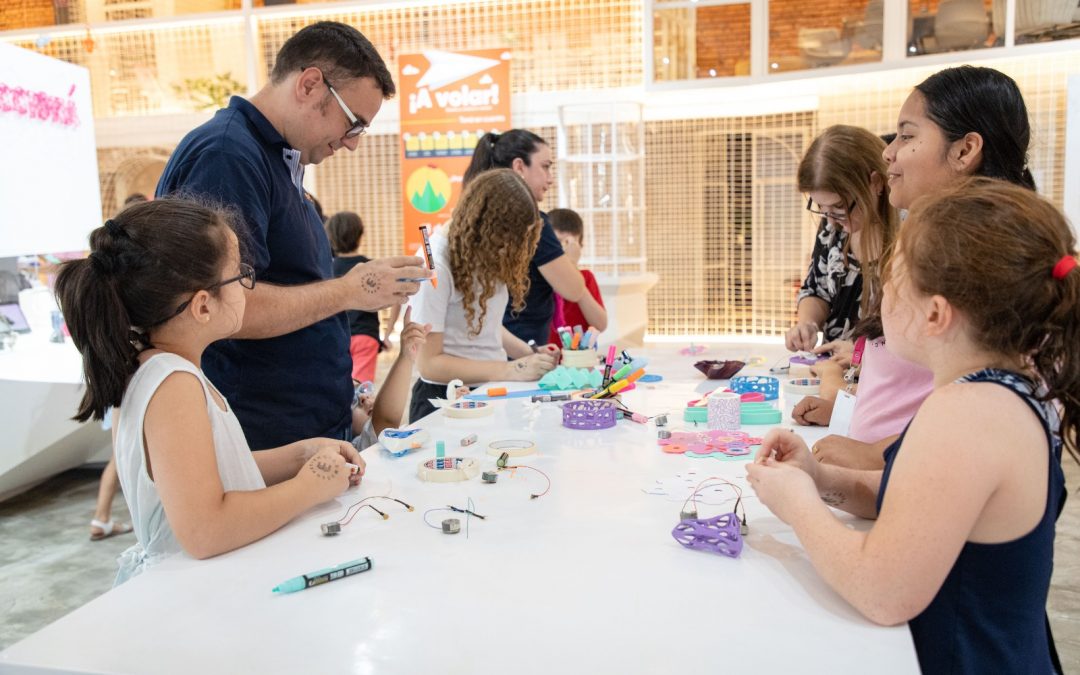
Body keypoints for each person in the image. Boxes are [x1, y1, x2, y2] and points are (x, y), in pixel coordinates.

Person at [748, 178, 1076, 672]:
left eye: (894, 278)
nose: (879, 298)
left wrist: (796, 505)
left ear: (936, 314)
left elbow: (882, 590)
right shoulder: (1002, 392)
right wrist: (822, 481)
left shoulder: (967, 413)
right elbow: (924, 501)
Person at [54, 199, 365, 583]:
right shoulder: (172, 384)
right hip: (193, 594)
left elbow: (211, 469)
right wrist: (307, 488)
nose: (247, 286)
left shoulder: (164, 370)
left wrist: (302, 454)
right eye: (239, 276)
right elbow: (205, 530)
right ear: (203, 305)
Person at [156, 21, 428, 450]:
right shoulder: (227, 156)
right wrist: (350, 291)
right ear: (310, 84)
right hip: (264, 438)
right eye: (353, 123)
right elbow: (222, 308)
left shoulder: (280, 162)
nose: (353, 143)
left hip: (310, 430)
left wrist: (348, 399)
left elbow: (293, 290)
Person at [797, 65, 1036, 469]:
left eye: (907, 136)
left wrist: (872, 456)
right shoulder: (937, 237)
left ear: (964, 150)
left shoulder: (975, 257)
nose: (888, 150)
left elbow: (976, 409)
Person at [408, 169, 557, 422]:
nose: (510, 249)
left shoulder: (482, 252)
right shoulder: (436, 264)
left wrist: (530, 355)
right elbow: (429, 364)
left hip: (487, 391)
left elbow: (484, 326)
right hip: (446, 401)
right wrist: (511, 369)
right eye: (507, 239)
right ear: (486, 226)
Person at [462, 129, 591, 347]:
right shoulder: (532, 223)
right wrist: (571, 259)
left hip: (486, 348)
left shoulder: (475, 219)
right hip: (520, 351)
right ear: (520, 166)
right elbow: (574, 290)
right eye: (546, 166)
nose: (550, 179)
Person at [786, 125, 898, 352]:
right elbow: (816, 290)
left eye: (839, 206)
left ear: (875, 183)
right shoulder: (832, 226)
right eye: (821, 207)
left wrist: (859, 354)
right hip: (833, 374)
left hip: (885, 376)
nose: (832, 220)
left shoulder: (911, 234)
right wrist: (807, 324)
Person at [325, 211, 400, 383]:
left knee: (338, 387)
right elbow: (396, 298)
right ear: (360, 236)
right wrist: (388, 334)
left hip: (335, 337)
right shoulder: (371, 268)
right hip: (366, 335)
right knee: (362, 393)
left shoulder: (325, 268)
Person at [350, 306, 430, 448]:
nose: (364, 398)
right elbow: (384, 422)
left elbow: (386, 420)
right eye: (352, 400)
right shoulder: (352, 449)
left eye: (363, 389)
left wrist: (406, 356)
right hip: (366, 333)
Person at [547, 208, 607, 341]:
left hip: (578, 359)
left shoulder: (586, 278)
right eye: (558, 243)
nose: (564, 250)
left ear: (579, 247)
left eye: (570, 244)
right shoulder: (538, 278)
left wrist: (572, 268)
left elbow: (601, 325)